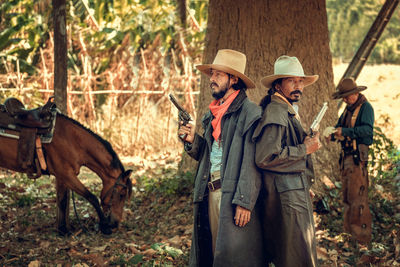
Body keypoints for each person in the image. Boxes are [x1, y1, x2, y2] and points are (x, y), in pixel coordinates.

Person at [178, 49, 264, 266]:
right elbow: (209, 155)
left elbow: (252, 161)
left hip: (232, 195)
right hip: (209, 192)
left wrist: (244, 201)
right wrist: (191, 141)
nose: (212, 79)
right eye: (212, 74)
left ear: (234, 79)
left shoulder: (249, 112)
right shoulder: (213, 113)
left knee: (233, 257)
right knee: (212, 253)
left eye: (218, 75)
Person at [253, 55, 321, 267]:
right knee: (293, 257)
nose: (298, 86)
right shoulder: (276, 111)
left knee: (298, 254)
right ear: (278, 84)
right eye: (291, 81)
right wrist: (305, 149)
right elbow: (266, 157)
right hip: (286, 200)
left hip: (293, 194)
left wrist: (303, 183)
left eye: (300, 81)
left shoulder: (286, 109)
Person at [328, 77, 374, 244]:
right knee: (347, 198)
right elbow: (340, 127)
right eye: (344, 97)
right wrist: (332, 134)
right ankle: (348, 237)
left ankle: (361, 240)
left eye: (347, 96)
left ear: (356, 93)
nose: (345, 99)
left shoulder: (366, 108)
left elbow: (367, 131)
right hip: (346, 160)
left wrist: (346, 131)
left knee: (358, 200)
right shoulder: (348, 110)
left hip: (357, 160)